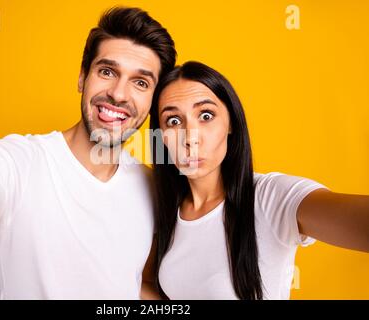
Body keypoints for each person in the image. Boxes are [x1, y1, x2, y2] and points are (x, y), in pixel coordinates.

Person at [0, 7, 176, 299]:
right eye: (107, 71)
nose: (118, 94)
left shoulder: (154, 187)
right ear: (82, 77)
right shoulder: (16, 162)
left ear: (154, 101)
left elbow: (135, 283)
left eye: (140, 83)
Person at [148, 61, 369, 300]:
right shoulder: (165, 208)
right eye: (173, 121)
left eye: (205, 115)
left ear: (231, 123)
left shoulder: (269, 197)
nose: (190, 138)